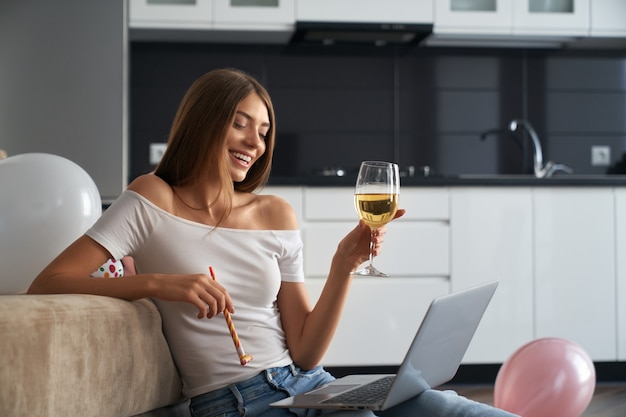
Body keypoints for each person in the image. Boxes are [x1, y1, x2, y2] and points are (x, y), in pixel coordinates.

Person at [28, 68, 517, 417]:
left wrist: (344, 264)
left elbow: (305, 353)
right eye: (240, 122)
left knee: (459, 411)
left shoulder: (275, 213)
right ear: (204, 121)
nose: (254, 142)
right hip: (234, 400)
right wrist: (163, 283)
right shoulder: (153, 198)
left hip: (310, 385)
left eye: (262, 131)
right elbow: (47, 283)